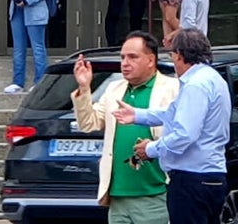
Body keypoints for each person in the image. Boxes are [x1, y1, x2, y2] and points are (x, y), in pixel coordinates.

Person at [114, 28, 231, 224]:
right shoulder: (213, 79)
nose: (173, 60)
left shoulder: (195, 85)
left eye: (172, 54)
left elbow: (185, 134)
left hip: (191, 178)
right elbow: (172, 113)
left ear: (180, 55)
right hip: (213, 175)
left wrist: (150, 149)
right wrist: (138, 115)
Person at [71, 31, 180, 223]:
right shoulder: (114, 88)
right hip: (118, 197)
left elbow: (183, 134)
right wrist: (84, 88)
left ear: (150, 60)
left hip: (155, 194)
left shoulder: (173, 88)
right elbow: (89, 123)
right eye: (122, 57)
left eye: (133, 57)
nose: (125, 63)